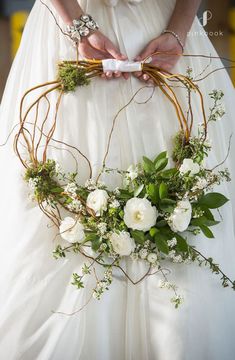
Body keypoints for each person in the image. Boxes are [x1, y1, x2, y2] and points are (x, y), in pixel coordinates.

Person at [0, 0, 235, 359]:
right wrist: (77, 25)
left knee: (189, 192)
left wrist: (179, 28)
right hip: (68, 28)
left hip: (161, 31)